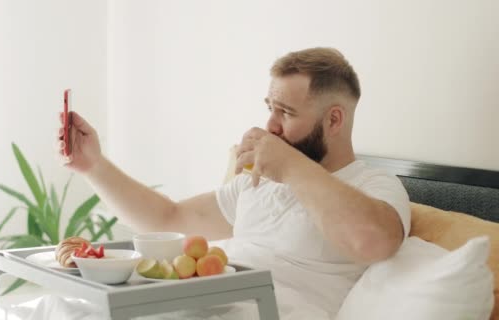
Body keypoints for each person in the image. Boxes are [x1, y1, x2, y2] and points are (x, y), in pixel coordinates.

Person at [57, 47, 410, 318]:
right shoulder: (260, 182)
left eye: (285, 113)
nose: (270, 125)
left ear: (334, 120)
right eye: (270, 108)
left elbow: (372, 242)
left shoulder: (373, 185)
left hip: (264, 311)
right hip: (202, 304)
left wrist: (288, 166)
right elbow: (167, 218)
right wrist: (93, 165)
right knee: (58, 307)